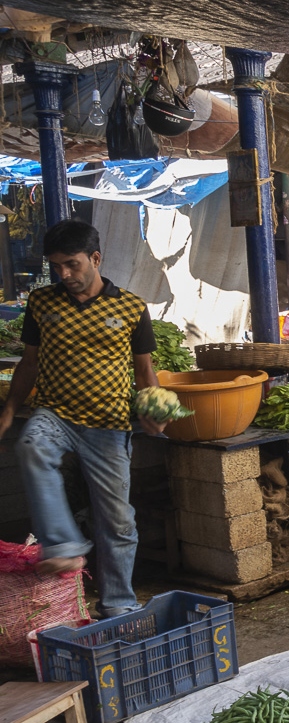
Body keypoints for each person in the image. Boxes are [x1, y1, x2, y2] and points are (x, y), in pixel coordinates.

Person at [0, 220, 166, 617]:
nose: (64, 274)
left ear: (95, 258)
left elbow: (145, 371)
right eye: (56, 266)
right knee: (31, 445)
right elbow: (29, 363)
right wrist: (8, 409)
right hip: (55, 413)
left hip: (108, 425)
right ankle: (63, 546)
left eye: (72, 265)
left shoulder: (130, 306)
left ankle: (118, 606)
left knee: (118, 522)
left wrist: (153, 410)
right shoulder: (42, 304)